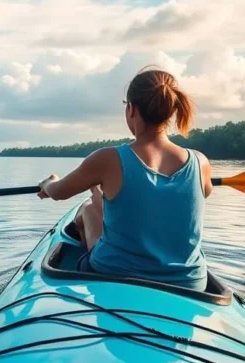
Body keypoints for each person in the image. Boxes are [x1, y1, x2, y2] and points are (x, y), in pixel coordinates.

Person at [37, 68, 213, 291]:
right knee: (97, 204)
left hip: (115, 276)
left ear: (131, 109)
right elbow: (161, 201)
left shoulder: (107, 159)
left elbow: (58, 192)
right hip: (190, 284)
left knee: (89, 211)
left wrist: (49, 182)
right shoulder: (201, 162)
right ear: (171, 111)